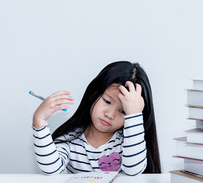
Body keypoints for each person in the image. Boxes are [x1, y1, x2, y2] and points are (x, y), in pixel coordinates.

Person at [32, 61, 161, 175]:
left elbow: (134, 170)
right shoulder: (71, 139)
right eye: (107, 101)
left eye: (123, 111)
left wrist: (134, 114)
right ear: (93, 94)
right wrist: (39, 119)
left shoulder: (128, 142)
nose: (110, 114)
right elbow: (51, 169)